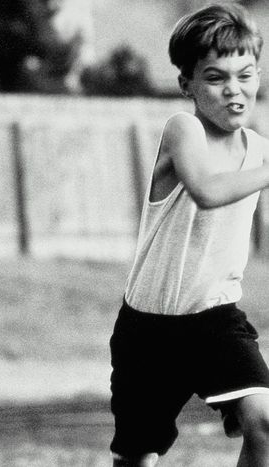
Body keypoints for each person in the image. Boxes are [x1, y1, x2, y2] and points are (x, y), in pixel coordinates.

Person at [109, 4, 269, 466]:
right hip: (148, 329)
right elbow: (206, 190)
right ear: (188, 86)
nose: (234, 90)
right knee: (138, 457)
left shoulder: (258, 152)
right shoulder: (183, 130)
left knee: (264, 421)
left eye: (246, 75)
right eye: (217, 78)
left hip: (214, 321)